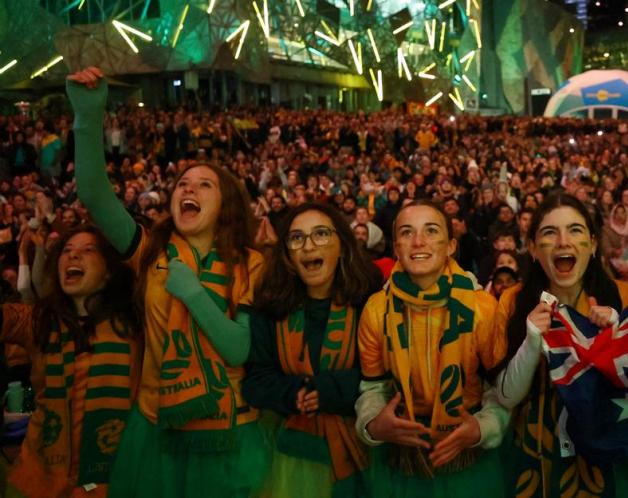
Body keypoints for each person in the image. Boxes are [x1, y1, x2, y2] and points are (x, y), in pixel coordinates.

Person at [66, 67, 267, 498]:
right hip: (157, 425)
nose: (188, 189)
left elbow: (239, 349)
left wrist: (192, 291)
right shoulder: (149, 252)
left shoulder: (251, 264)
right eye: (182, 184)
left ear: (226, 203)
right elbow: (94, 194)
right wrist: (88, 114)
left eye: (204, 184)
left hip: (227, 428)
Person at [355, 199, 509, 497]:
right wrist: (373, 425)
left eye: (431, 230)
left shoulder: (483, 308)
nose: (418, 242)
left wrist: (483, 428)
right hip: (401, 456)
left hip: (467, 456)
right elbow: (373, 387)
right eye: (407, 232)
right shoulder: (376, 309)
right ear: (396, 247)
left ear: (451, 245)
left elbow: (500, 389)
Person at [493, 193, 628, 497]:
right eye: (550, 233)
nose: (563, 242)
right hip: (536, 461)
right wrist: (531, 342)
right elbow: (506, 397)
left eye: (575, 230)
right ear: (533, 248)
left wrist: (618, 333)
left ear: (593, 243)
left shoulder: (625, 296)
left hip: (604, 461)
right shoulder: (513, 301)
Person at [243, 203, 382, 498]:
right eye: (297, 238)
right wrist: (293, 394)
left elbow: (386, 376)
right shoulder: (270, 307)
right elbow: (255, 380)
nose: (308, 246)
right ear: (288, 256)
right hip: (290, 454)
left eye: (320, 234)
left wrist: (330, 391)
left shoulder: (371, 303)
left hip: (365, 449)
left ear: (342, 247)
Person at [3, 226, 142, 498]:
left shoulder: (135, 324)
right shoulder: (39, 322)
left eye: (88, 250)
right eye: (66, 251)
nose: (73, 256)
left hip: (115, 482)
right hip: (39, 482)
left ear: (109, 270)